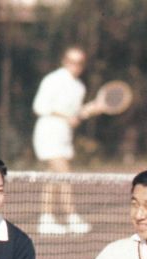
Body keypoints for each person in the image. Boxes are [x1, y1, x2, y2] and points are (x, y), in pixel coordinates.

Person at [31, 46, 101, 235]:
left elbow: (74, 117)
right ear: (64, 61)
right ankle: (71, 217)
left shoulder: (79, 87)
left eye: (79, 62)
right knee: (64, 174)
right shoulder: (52, 80)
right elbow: (39, 106)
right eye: (71, 61)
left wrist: (88, 110)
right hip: (47, 132)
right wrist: (66, 116)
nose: (75, 66)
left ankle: (46, 219)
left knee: (52, 178)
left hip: (64, 136)